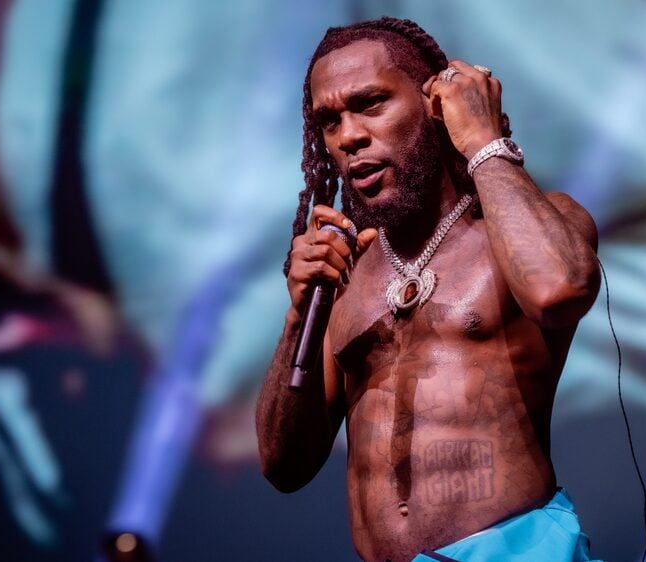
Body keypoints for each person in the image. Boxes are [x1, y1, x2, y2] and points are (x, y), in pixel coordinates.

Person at [256, 17, 601, 562]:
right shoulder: (345, 275)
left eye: (370, 104)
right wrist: (298, 316)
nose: (348, 136)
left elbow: (559, 290)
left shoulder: (532, 225)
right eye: (329, 120)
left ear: (434, 103)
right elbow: (284, 465)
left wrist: (483, 140)